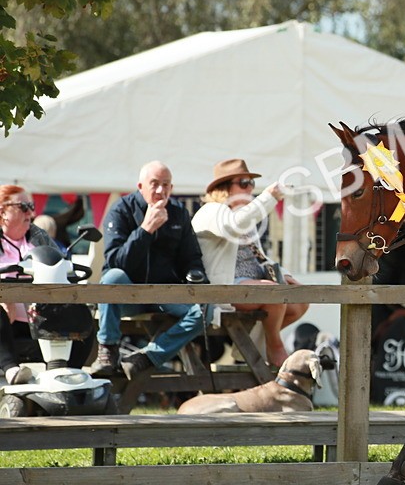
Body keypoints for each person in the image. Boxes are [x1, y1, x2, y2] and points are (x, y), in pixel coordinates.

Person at [92, 161, 208, 380]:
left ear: (171, 188)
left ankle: (146, 358)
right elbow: (116, 262)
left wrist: (197, 277)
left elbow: (192, 258)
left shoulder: (178, 213)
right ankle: (107, 348)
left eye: (166, 185)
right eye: (154, 184)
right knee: (112, 277)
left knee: (205, 310)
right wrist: (145, 230)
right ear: (140, 186)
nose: (160, 191)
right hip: (127, 294)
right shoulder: (121, 210)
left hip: (164, 293)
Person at [191, 158, 308, 368]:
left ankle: (249, 349)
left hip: (250, 284)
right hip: (223, 288)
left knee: (301, 300)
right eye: (243, 183)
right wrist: (269, 197)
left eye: (251, 183)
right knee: (274, 294)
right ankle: (274, 348)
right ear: (223, 188)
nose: (250, 188)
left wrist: (283, 273)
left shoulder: (243, 218)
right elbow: (233, 226)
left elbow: (259, 256)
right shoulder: (212, 211)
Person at [0, 185, 91, 384]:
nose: (30, 212)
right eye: (23, 206)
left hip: (40, 317)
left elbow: (64, 272)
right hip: (8, 321)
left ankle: (65, 380)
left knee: (82, 317)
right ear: (2, 212)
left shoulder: (37, 236)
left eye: (31, 206)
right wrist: (6, 297)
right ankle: (11, 370)